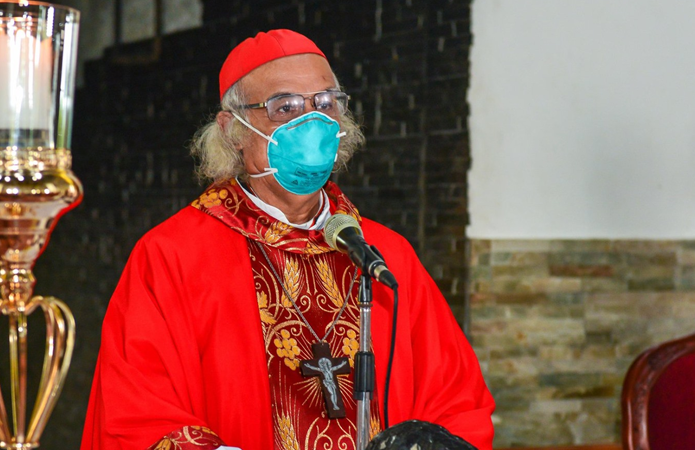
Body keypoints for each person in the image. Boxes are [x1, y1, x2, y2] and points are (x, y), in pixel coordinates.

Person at [81, 29, 495, 450]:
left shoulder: (384, 257)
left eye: (325, 103)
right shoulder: (173, 256)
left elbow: (457, 400)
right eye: (285, 107)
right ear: (233, 131)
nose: (311, 121)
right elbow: (136, 414)